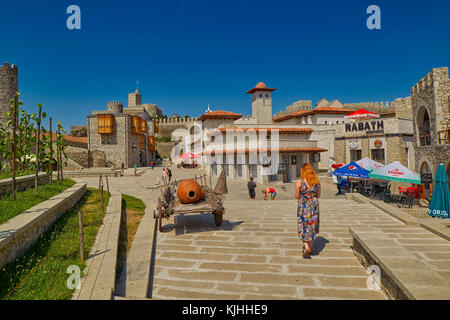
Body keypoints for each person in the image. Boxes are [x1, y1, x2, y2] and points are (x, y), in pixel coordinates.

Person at [295, 163, 321, 259]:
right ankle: (309, 247)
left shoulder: (299, 182)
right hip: (314, 205)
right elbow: (318, 196)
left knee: (304, 226)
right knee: (312, 225)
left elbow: (297, 196)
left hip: (303, 206)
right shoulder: (317, 182)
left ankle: (306, 247)